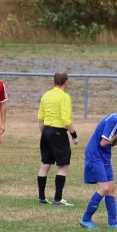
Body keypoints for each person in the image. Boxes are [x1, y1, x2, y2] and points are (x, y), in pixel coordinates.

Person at [36, 72, 79, 206]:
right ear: (66, 82)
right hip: (58, 132)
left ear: (54, 82)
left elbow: (41, 118)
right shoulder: (64, 97)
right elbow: (66, 119)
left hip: (46, 131)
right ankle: (58, 199)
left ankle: (42, 197)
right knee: (63, 166)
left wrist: (44, 134)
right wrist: (74, 135)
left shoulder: (46, 95)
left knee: (45, 165)